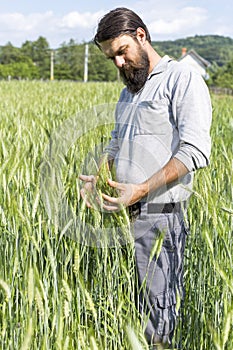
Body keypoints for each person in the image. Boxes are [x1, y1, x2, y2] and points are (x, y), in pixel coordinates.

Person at [80, 7, 212, 349]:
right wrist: (100, 176)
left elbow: (195, 150)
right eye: (112, 58)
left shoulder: (182, 79)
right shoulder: (129, 92)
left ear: (141, 35)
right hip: (122, 218)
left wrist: (141, 189)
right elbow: (117, 142)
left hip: (160, 218)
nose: (119, 64)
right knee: (131, 314)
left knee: (157, 323)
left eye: (122, 52)